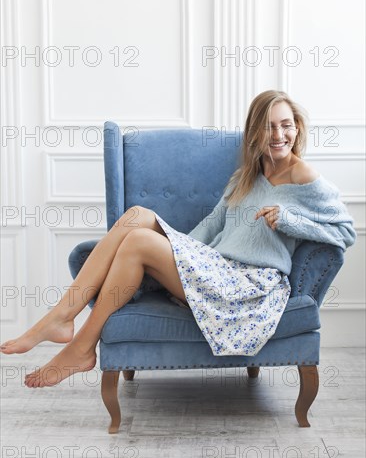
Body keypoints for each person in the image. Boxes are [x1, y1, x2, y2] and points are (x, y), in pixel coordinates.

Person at [0, 90, 357, 386]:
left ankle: (80, 344)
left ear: (298, 129)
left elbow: (345, 232)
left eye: (286, 126)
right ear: (254, 133)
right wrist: (178, 252)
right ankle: (62, 315)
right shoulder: (246, 176)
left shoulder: (305, 178)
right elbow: (210, 228)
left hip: (250, 287)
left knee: (139, 242)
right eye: (269, 127)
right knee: (138, 217)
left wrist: (291, 222)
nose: (279, 135)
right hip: (217, 269)